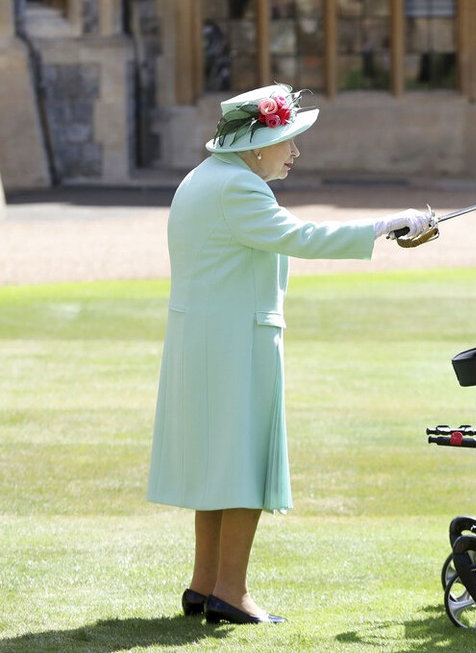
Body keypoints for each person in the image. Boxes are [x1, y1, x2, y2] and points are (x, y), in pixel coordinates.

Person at [147, 84, 435, 625]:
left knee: (219, 464)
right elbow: (301, 236)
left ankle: (205, 584)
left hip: (206, 342)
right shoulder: (238, 187)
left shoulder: (204, 178)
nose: (294, 152)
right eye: (287, 140)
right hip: (235, 343)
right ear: (256, 145)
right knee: (244, 463)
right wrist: (385, 225)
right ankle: (229, 592)